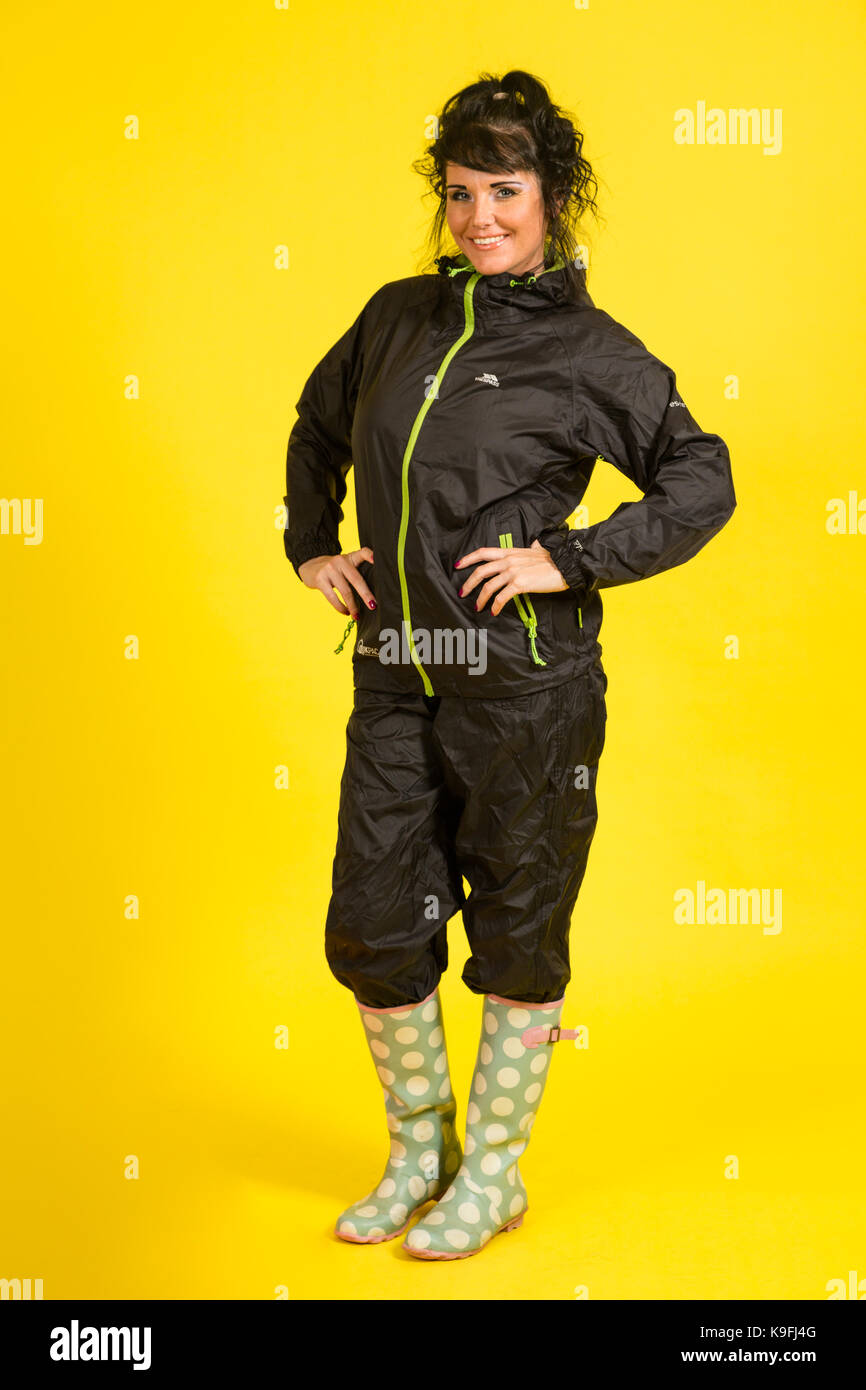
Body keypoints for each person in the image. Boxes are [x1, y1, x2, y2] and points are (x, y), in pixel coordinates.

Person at [281, 69, 736, 1261]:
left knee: (520, 931)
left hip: (525, 693)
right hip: (394, 670)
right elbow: (317, 425)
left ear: (551, 198)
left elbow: (700, 477)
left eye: (503, 189)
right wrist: (308, 547)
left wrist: (568, 559)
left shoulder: (590, 351)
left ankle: (490, 1172)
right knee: (375, 926)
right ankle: (418, 1153)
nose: (478, 215)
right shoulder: (395, 315)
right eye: (458, 192)